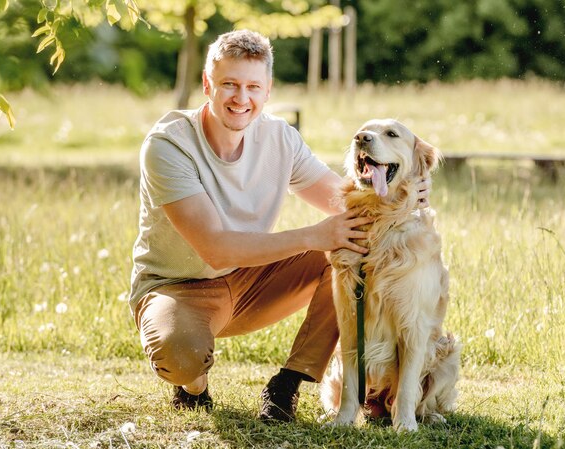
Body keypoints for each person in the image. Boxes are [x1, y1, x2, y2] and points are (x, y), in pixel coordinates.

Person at [128, 29, 431, 423]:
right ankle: (194, 387)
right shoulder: (169, 145)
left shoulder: (280, 138)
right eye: (229, 85)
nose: (242, 98)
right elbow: (214, 248)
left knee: (343, 249)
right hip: (178, 286)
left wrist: (401, 186)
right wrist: (311, 235)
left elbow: (342, 200)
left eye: (253, 86)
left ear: (267, 89)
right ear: (207, 84)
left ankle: (286, 384)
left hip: (253, 280)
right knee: (183, 356)